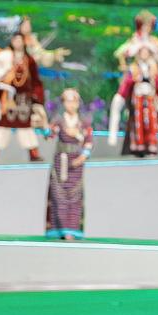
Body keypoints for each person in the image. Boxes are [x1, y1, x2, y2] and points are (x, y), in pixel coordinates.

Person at [107, 41, 158, 156]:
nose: (144, 54)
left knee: (152, 122)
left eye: (146, 52)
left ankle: (151, 146)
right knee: (138, 123)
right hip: (138, 101)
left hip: (151, 101)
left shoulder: (154, 69)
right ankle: (139, 147)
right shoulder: (134, 68)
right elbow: (126, 85)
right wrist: (120, 96)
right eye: (142, 52)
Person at [0, 32, 46, 162]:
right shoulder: (5, 57)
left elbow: (36, 80)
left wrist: (37, 97)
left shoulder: (29, 60)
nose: (17, 42)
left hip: (24, 99)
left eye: (20, 40)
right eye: (15, 40)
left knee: (26, 126)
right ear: (12, 41)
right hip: (8, 98)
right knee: (3, 126)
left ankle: (33, 154)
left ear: (23, 42)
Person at [45, 88, 93, 240]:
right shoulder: (59, 121)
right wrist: (44, 127)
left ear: (78, 103)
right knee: (58, 196)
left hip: (76, 164)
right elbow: (50, 135)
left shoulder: (83, 123)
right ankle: (59, 229)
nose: (71, 104)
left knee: (74, 197)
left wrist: (83, 157)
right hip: (60, 162)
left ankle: (72, 230)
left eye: (73, 101)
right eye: (67, 101)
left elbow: (88, 141)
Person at [113, 10, 158, 82]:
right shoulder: (134, 40)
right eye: (143, 25)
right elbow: (120, 53)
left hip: (152, 70)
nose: (146, 28)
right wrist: (124, 63)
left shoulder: (154, 41)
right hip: (137, 70)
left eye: (149, 25)